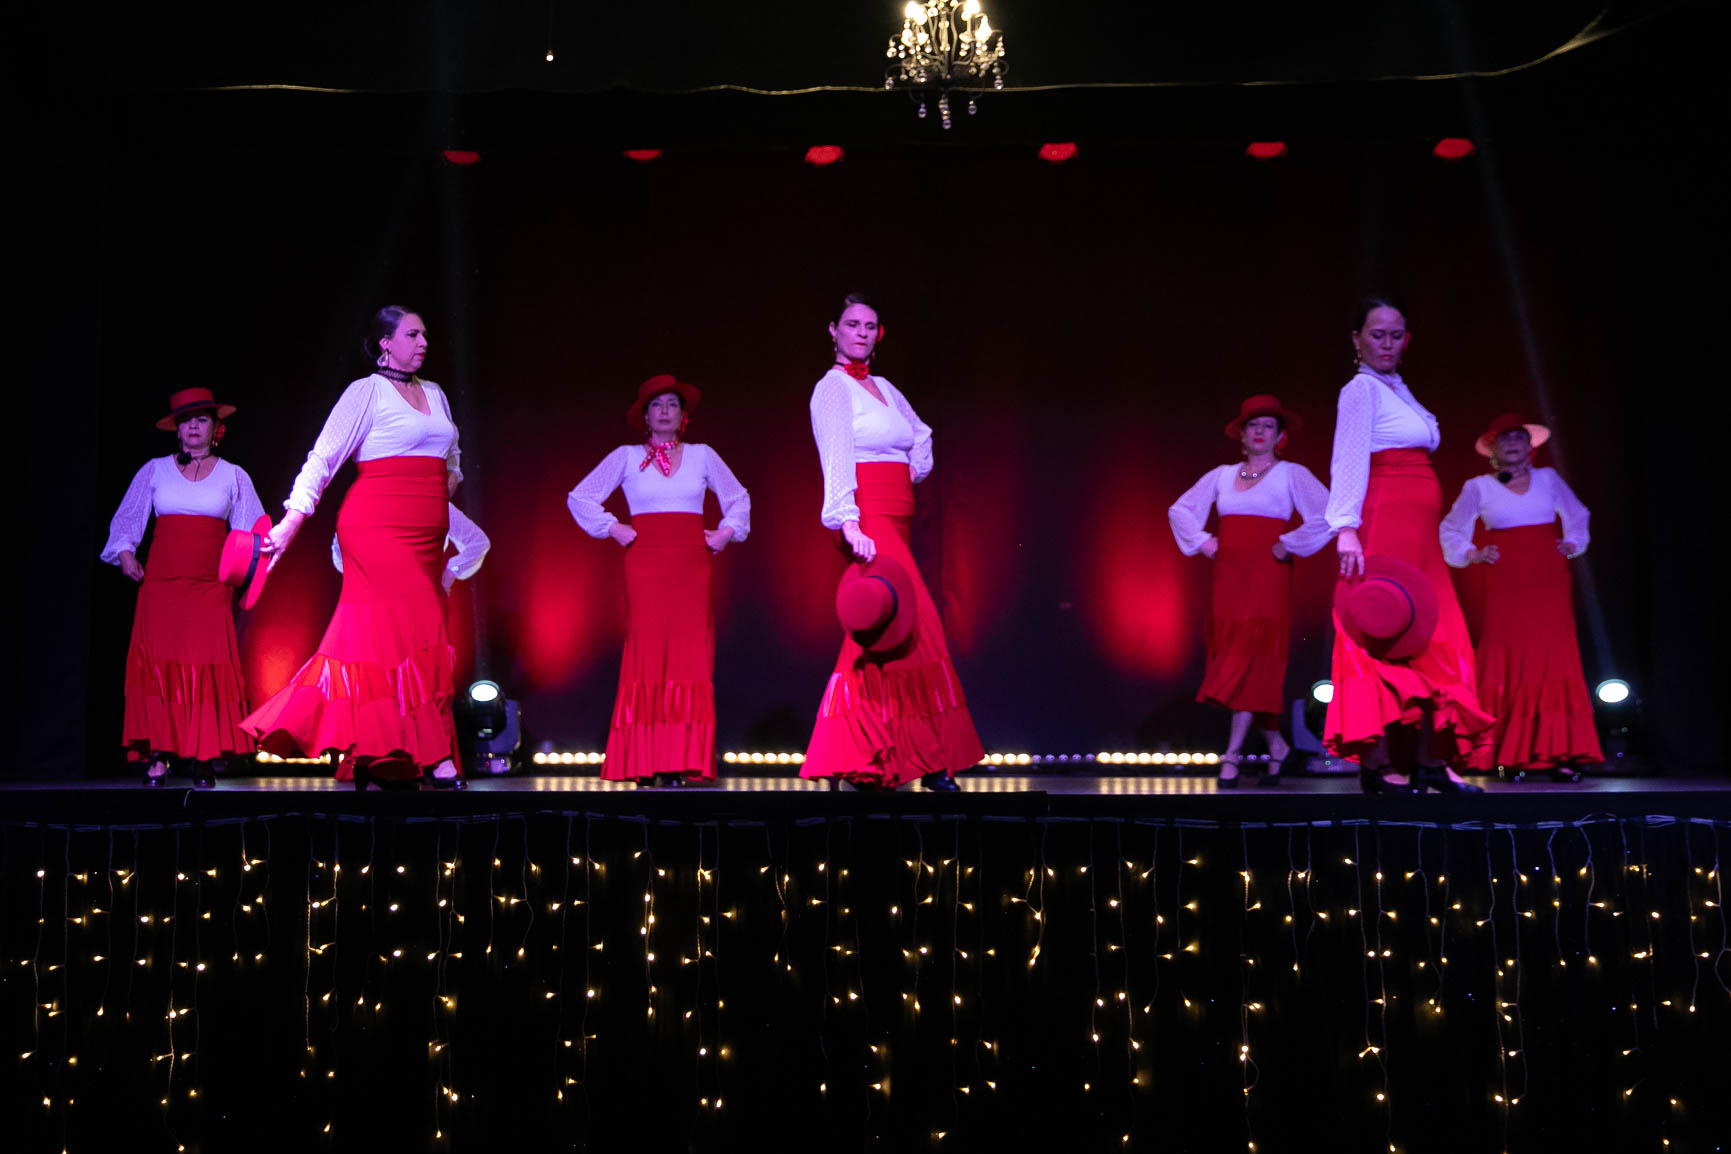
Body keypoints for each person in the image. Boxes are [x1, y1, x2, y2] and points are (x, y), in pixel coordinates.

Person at [241, 305, 466, 790]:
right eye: (412, 334)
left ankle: (378, 754)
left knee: (381, 641)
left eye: (425, 334)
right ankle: (436, 756)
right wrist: (292, 521)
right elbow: (323, 458)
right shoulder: (366, 392)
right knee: (419, 627)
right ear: (386, 342)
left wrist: (439, 488)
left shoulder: (435, 393)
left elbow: (452, 458)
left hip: (426, 535)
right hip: (376, 526)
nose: (423, 342)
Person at [799, 293, 984, 792]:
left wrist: (910, 469)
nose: (861, 333)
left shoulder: (883, 387)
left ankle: (874, 757)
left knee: (884, 637)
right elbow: (836, 457)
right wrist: (848, 522)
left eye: (870, 326)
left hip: (898, 517)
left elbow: (919, 434)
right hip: (869, 517)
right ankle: (926, 759)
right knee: (916, 626)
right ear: (833, 329)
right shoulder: (832, 388)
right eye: (852, 324)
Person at [1324, 297, 1494, 793]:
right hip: (1385, 520)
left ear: (1407, 341)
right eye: (1377, 334)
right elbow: (1348, 459)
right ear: (1357, 339)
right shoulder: (1360, 389)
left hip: (1419, 535)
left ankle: (1429, 760)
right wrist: (1346, 527)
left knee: (1431, 633)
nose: (1387, 343)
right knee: (1384, 626)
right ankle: (1376, 763)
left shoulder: (1397, 388)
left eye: (1395, 335)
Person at [567, 375, 750, 787]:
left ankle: (679, 759)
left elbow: (738, 497)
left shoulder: (702, 455)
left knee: (688, 655)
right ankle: (645, 759)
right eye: (657, 404)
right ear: (644, 415)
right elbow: (580, 496)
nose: (665, 411)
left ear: (683, 416)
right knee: (647, 651)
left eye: (672, 404)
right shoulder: (627, 456)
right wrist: (612, 527)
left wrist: (726, 531)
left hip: (691, 567)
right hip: (646, 566)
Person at [103, 388, 267, 786]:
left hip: (209, 589)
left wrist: (246, 577)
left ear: (216, 429)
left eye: (201, 419)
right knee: (160, 666)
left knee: (206, 667)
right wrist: (125, 554)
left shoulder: (233, 475)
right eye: (185, 420)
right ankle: (159, 754)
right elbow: (127, 519)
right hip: (162, 588)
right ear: (177, 430)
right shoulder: (155, 470)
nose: (193, 426)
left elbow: (254, 534)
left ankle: (203, 756)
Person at [1168, 395, 1333, 787]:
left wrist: (1290, 543)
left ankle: (1232, 755)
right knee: (1235, 655)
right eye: (1253, 425)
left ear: (1280, 436)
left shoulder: (1291, 473)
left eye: (1268, 426)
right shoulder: (1222, 475)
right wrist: (1204, 541)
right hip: (1229, 576)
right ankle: (1277, 746)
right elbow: (1180, 509)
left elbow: (1329, 512)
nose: (1260, 431)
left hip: (1267, 575)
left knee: (1251, 657)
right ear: (1242, 435)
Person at [1440, 412, 1601, 780]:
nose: (1513, 443)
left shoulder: (1548, 478)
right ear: (1493, 449)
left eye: (1519, 437)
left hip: (1547, 576)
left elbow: (1578, 514)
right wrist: (1471, 553)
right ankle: (1503, 756)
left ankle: (1559, 753)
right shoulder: (1479, 486)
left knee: (1553, 655)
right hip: (1506, 578)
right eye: (1505, 438)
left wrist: (1573, 542)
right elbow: (1451, 528)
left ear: (1530, 446)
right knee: (1506, 654)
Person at [333, 501, 491, 593]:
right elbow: (342, 556)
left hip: (424, 601)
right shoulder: (371, 505)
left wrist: (451, 572)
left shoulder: (434, 503)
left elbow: (478, 543)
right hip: (382, 603)